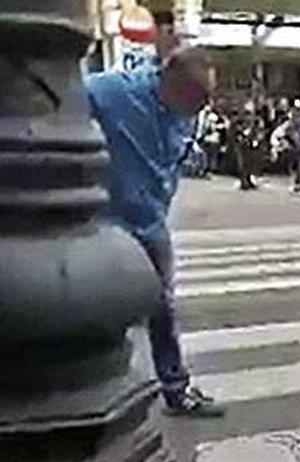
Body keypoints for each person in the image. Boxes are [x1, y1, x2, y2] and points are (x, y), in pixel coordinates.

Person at [86, 46, 226, 418]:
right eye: (197, 97)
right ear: (169, 79)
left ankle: (175, 390)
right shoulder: (114, 91)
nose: (202, 106)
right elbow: (65, 104)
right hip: (107, 220)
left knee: (162, 305)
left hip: (151, 221)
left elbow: (174, 161)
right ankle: (98, 384)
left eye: (206, 98)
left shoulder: (189, 116)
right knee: (102, 305)